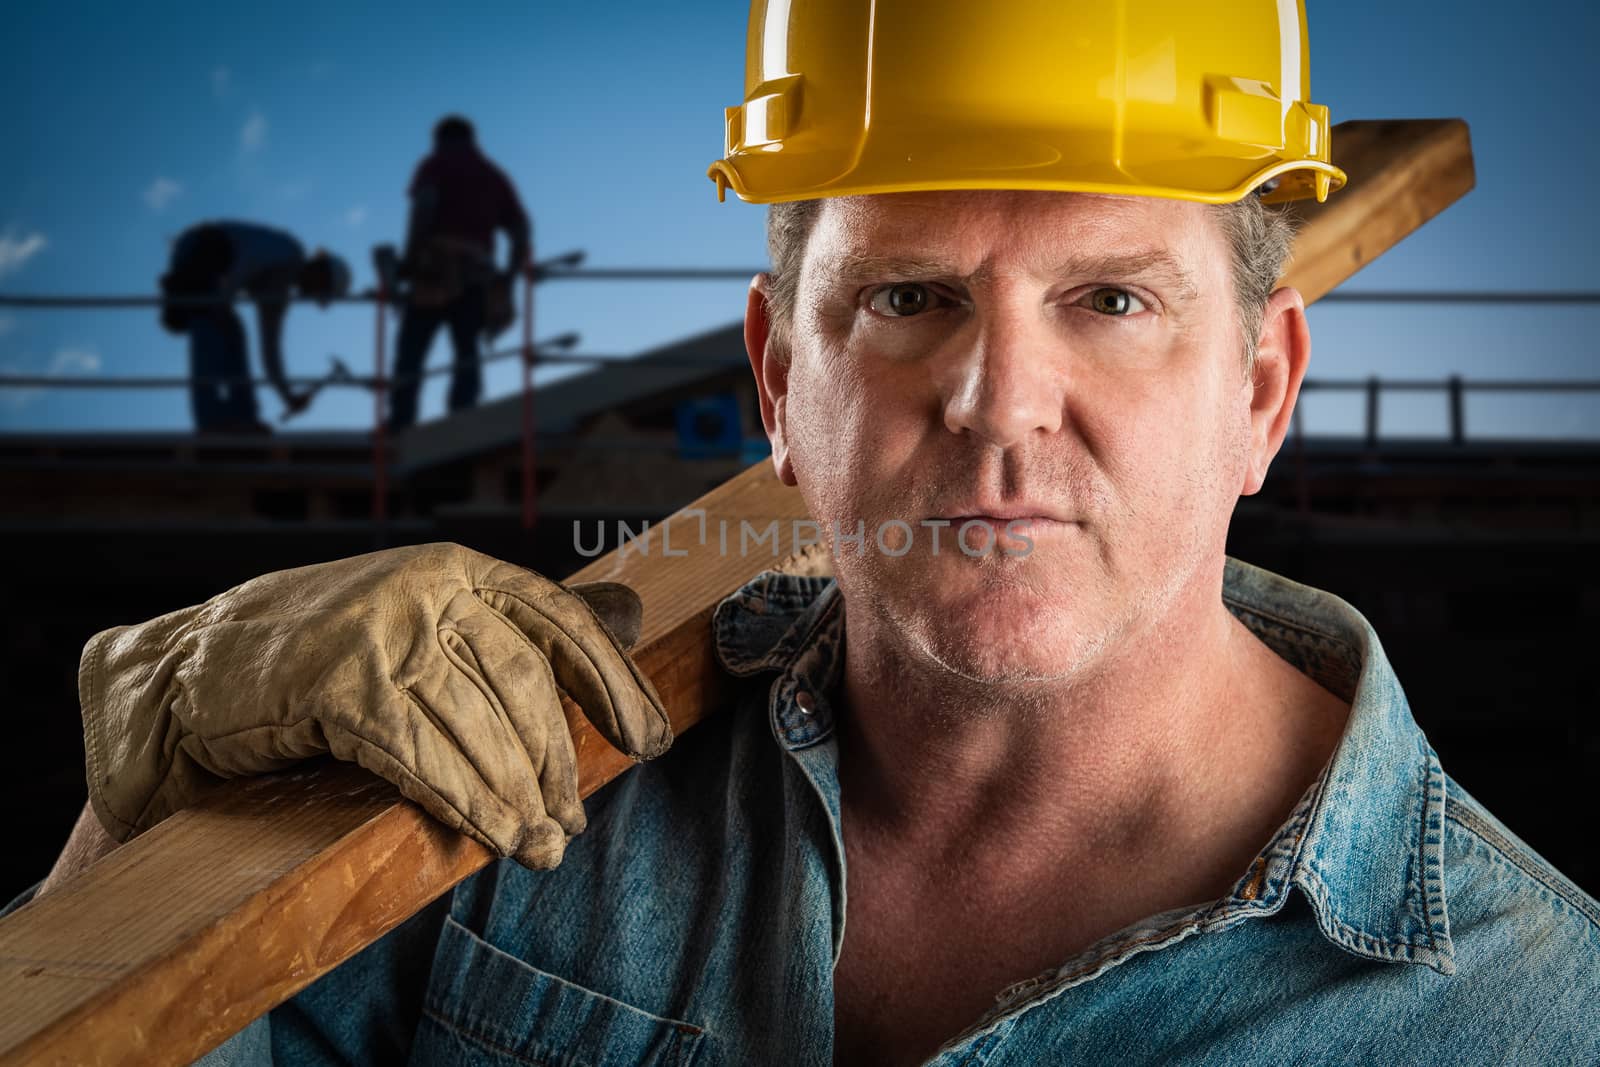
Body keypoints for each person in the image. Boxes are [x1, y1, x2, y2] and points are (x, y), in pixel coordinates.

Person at [10, 2, 1598, 1063]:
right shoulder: (502, 800)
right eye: (909, 298)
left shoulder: (1529, 1015)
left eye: (1110, 300)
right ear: (780, 376)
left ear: (1262, 386)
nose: (996, 402)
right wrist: (160, 801)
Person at [387, 115, 532, 433]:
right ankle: (463, 418)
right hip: (476, 275)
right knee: (466, 348)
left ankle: (400, 422)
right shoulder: (494, 176)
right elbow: (521, 230)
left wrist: (409, 261)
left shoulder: (435, 164)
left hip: (431, 272)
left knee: (411, 351)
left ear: (441, 139)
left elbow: (423, 207)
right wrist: (509, 278)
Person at [159, 221, 350, 432]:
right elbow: (246, 257)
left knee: (232, 331)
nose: (313, 298)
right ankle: (211, 422)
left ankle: (243, 418)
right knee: (210, 323)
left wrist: (287, 397)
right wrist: (216, 300)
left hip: (214, 266)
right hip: (202, 247)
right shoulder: (289, 251)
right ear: (320, 273)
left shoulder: (278, 295)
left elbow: (270, 354)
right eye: (320, 292)